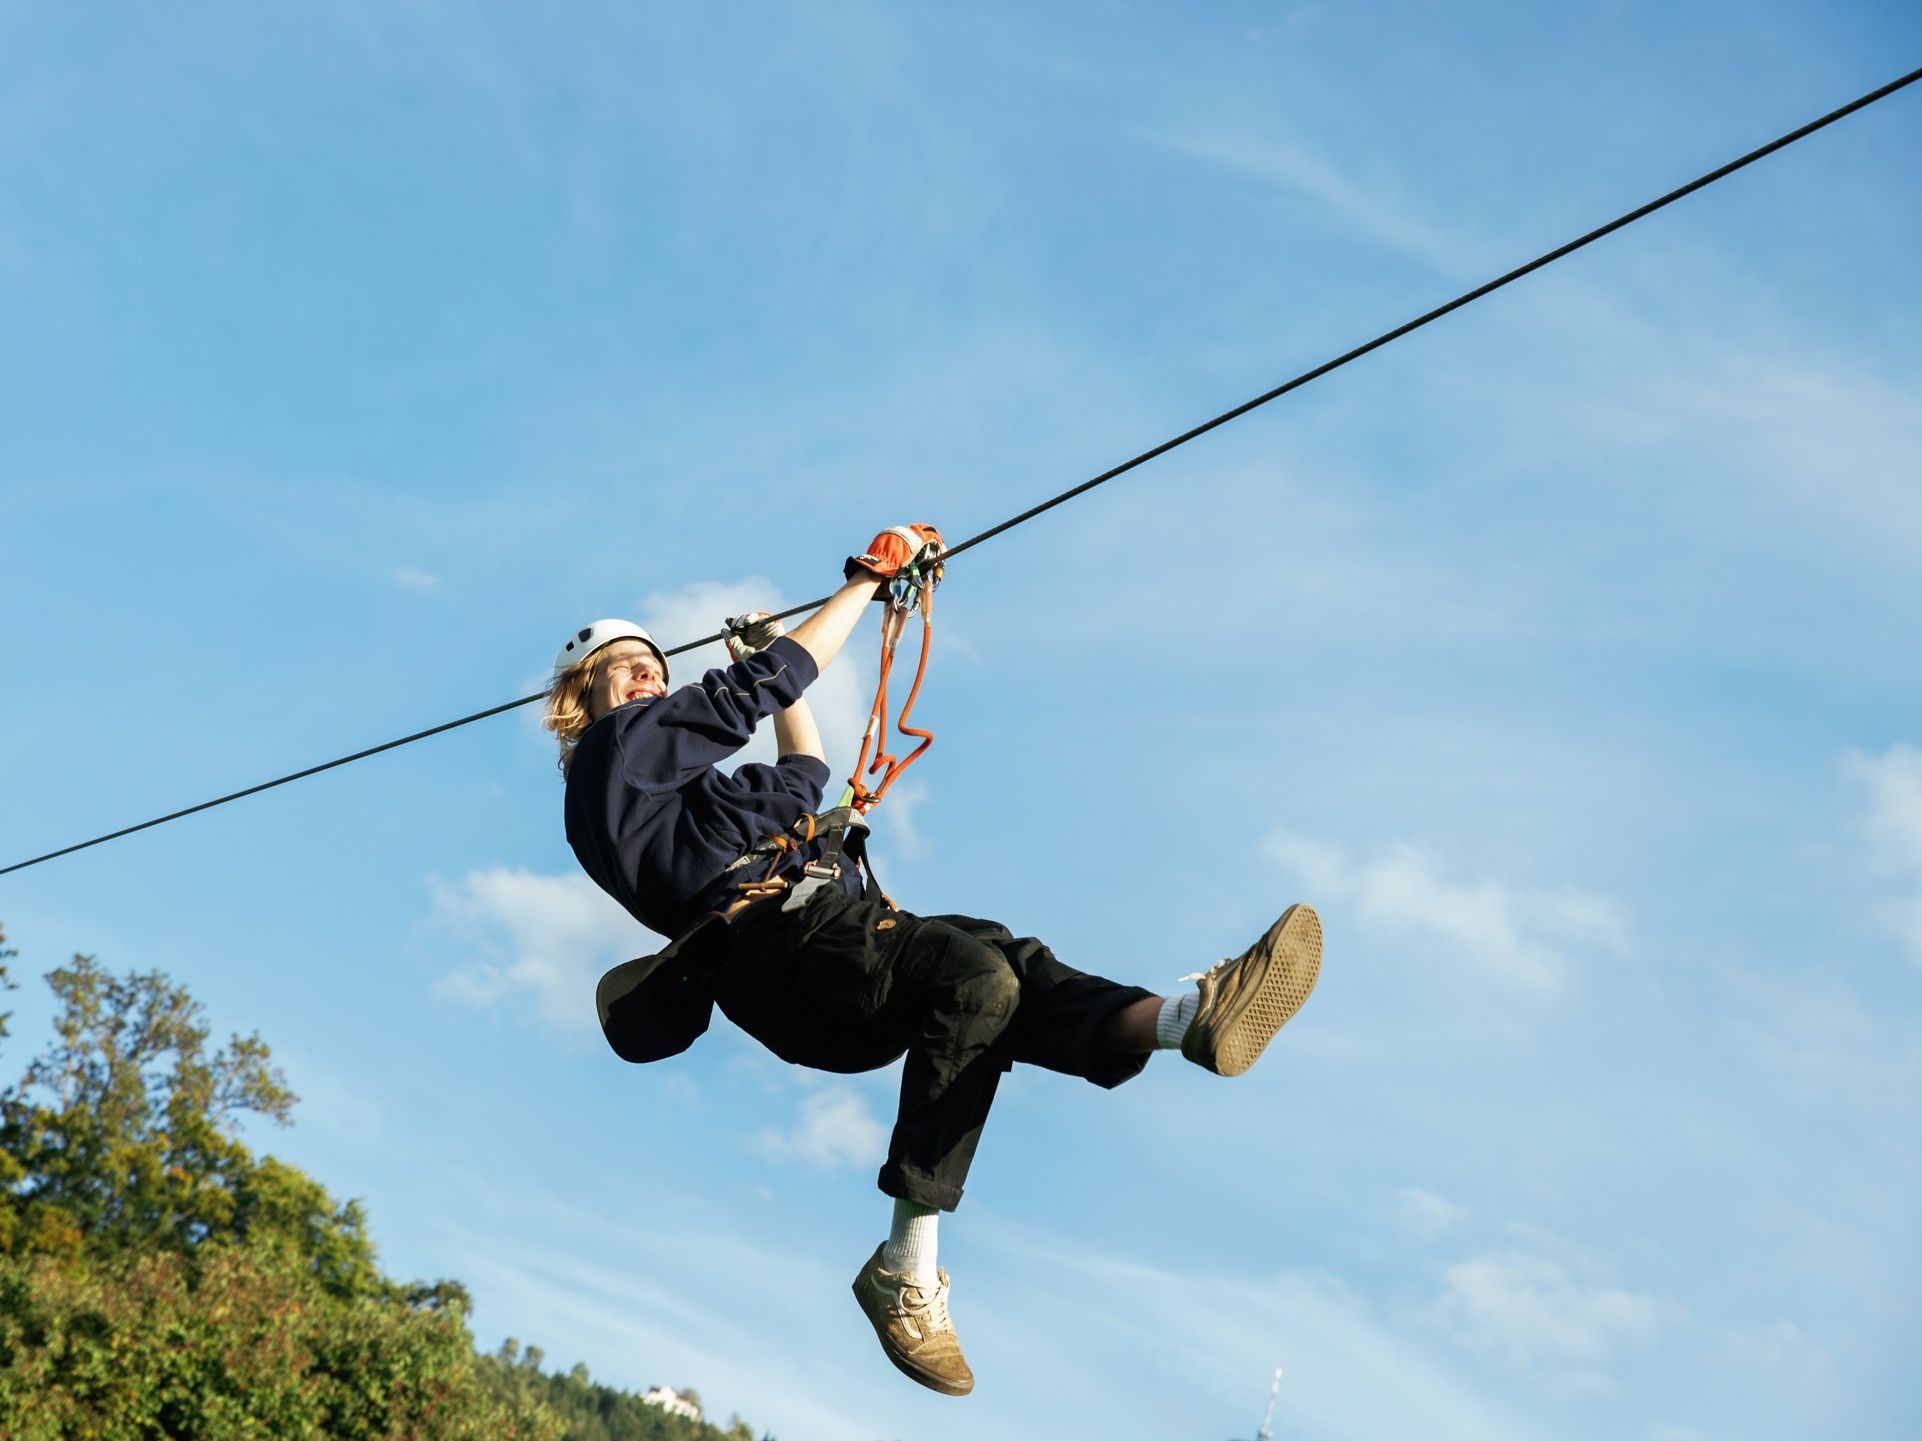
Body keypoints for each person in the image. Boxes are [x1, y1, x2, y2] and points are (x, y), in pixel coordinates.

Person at [543, 527, 1322, 1398]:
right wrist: (863, 585)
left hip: (822, 937)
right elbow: (757, 691)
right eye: (627, 666)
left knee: (1002, 959)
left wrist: (769, 649)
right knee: (972, 977)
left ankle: (1183, 1020)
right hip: (775, 950)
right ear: (586, 691)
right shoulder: (612, 758)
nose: (650, 674)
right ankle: (905, 1271)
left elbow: (803, 770)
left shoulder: (690, 798)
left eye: (655, 663)